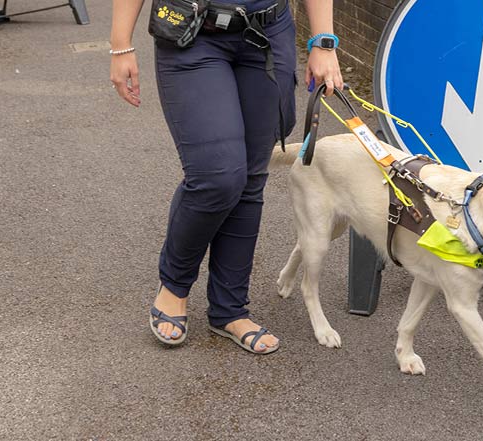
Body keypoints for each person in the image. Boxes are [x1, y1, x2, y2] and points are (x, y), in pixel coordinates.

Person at [110, 0, 343, 353]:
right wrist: (120, 44)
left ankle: (229, 308)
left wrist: (323, 41)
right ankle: (174, 285)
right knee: (217, 176)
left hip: (268, 31)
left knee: (250, 177)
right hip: (192, 34)